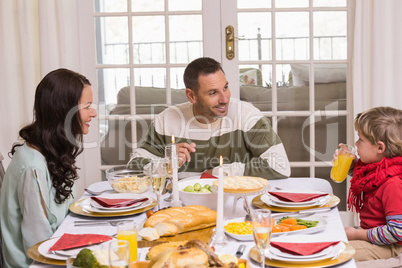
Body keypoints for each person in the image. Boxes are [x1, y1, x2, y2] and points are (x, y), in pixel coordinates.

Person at [131, 57, 290, 179]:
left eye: (225, 88)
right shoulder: (166, 120)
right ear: (191, 96)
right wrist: (165, 164)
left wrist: (219, 172)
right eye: (213, 93)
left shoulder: (247, 115)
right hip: (181, 205)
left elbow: (280, 166)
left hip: (233, 201)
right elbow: (133, 166)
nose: (224, 99)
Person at [0, 68, 97, 267]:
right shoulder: (32, 167)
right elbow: (39, 246)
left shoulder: (48, 151)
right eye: (87, 106)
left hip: (58, 250)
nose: (93, 113)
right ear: (63, 111)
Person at [332, 106, 402, 262]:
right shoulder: (378, 169)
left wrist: (357, 234)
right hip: (372, 235)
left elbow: (397, 231)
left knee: (336, 254)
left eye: (361, 140)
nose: (356, 144)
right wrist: (349, 165)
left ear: (379, 147)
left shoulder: (393, 184)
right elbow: (367, 178)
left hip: (390, 245)